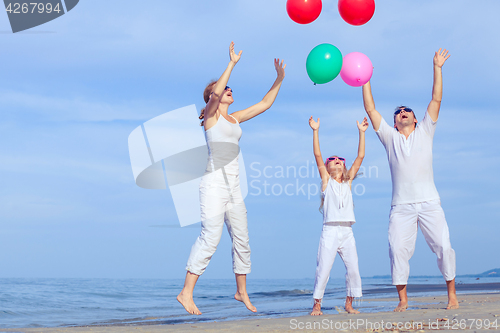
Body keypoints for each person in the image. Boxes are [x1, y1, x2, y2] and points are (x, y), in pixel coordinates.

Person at [177, 42, 286, 315]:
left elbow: (265, 104)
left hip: (235, 189)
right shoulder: (210, 119)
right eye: (226, 89)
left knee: (242, 240)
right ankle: (186, 293)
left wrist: (279, 78)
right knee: (210, 238)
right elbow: (215, 92)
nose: (229, 90)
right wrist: (231, 64)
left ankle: (241, 292)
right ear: (213, 98)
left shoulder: (234, 119)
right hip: (214, 186)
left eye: (230, 88)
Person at [361, 48, 458, 312]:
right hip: (401, 207)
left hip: (429, 203)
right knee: (396, 249)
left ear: (416, 119)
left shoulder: (426, 131)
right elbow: (370, 108)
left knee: (443, 246)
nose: (402, 112)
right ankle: (403, 300)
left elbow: (436, 98)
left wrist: (437, 67)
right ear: (394, 123)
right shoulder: (390, 138)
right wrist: (364, 77)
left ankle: (451, 295)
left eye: (407, 110)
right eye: (398, 111)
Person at [308, 115, 369, 316]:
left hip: (347, 231)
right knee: (323, 269)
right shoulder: (327, 181)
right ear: (327, 168)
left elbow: (360, 156)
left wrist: (362, 133)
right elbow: (317, 155)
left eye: (340, 160)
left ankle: (349, 304)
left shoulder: (348, 182)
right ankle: (317, 305)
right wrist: (315, 131)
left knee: (353, 269)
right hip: (330, 230)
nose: (337, 161)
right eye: (332, 160)